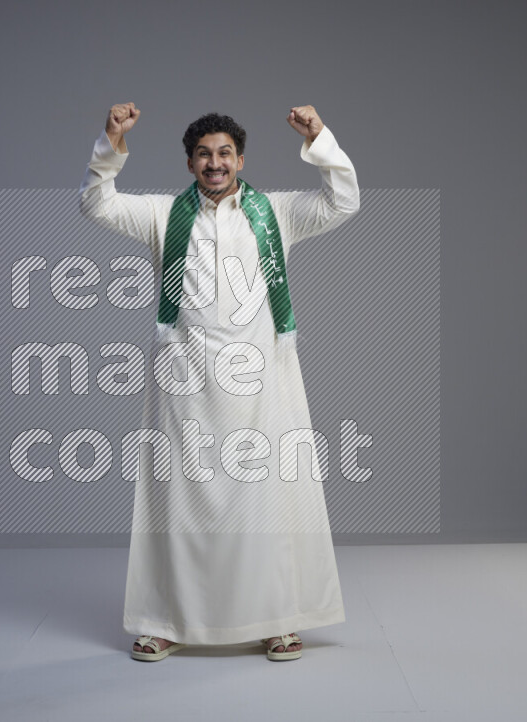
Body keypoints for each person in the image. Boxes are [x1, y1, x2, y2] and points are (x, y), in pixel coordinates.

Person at [79, 102, 360, 661]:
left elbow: (344, 200)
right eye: (204, 155)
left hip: (262, 383)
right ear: (189, 164)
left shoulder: (274, 213)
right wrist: (112, 142)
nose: (215, 163)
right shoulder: (164, 216)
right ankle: (166, 620)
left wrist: (320, 138)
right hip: (184, 383)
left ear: (241, 160)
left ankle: (277, 618)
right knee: (177, 502)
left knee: (266, 501)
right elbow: (96, 203)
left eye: (224, 153)